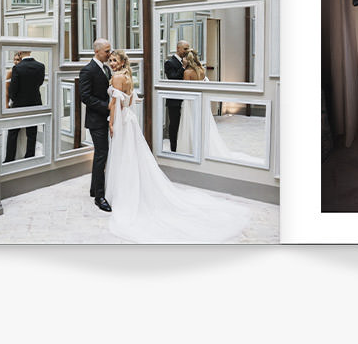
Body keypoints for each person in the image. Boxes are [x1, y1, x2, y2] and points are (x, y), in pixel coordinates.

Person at [103, 50, 251, 242]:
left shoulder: (116, 78)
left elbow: (115, 104)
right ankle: (131, 189)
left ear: (122, 61)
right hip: (130, 120)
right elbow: (132, 100)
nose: (112, 63)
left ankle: (124, 194)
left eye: (115, 60)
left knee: (124, 156)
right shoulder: (128, 76)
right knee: (131, 155)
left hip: (122, 121)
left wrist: (111, 123)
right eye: (111, 60)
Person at [78, 38, 114, 212]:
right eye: (107, 51)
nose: (109, 54)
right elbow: (85, 97)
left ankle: (94, 189)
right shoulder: (87, 70)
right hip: (96, 120)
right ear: (97, 51)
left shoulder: (106, 68)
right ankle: (99, 197)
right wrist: (106, 106)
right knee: (101, 155)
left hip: (107, 118)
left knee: (102, 155)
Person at [4, 50, 47, 162]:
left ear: (20, 53)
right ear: (30, 52)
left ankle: (9, 159)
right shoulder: (40, 66)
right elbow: (40, 82)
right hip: (35, 103)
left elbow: (13, 90)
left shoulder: (17, 68)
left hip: (19, 104)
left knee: (13, 132)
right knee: (32, 133)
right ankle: (30, 157)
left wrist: (13, 100)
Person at [163, 40, 189, 151]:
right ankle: (173, 149)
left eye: (188, 48)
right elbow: (173, 78)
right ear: (178, 48)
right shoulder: (169, 63)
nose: (187, 51)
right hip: (174, 100)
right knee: (174, 125)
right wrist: (183, 68)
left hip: (185, 99)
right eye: (185, 49)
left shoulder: (187, 61)